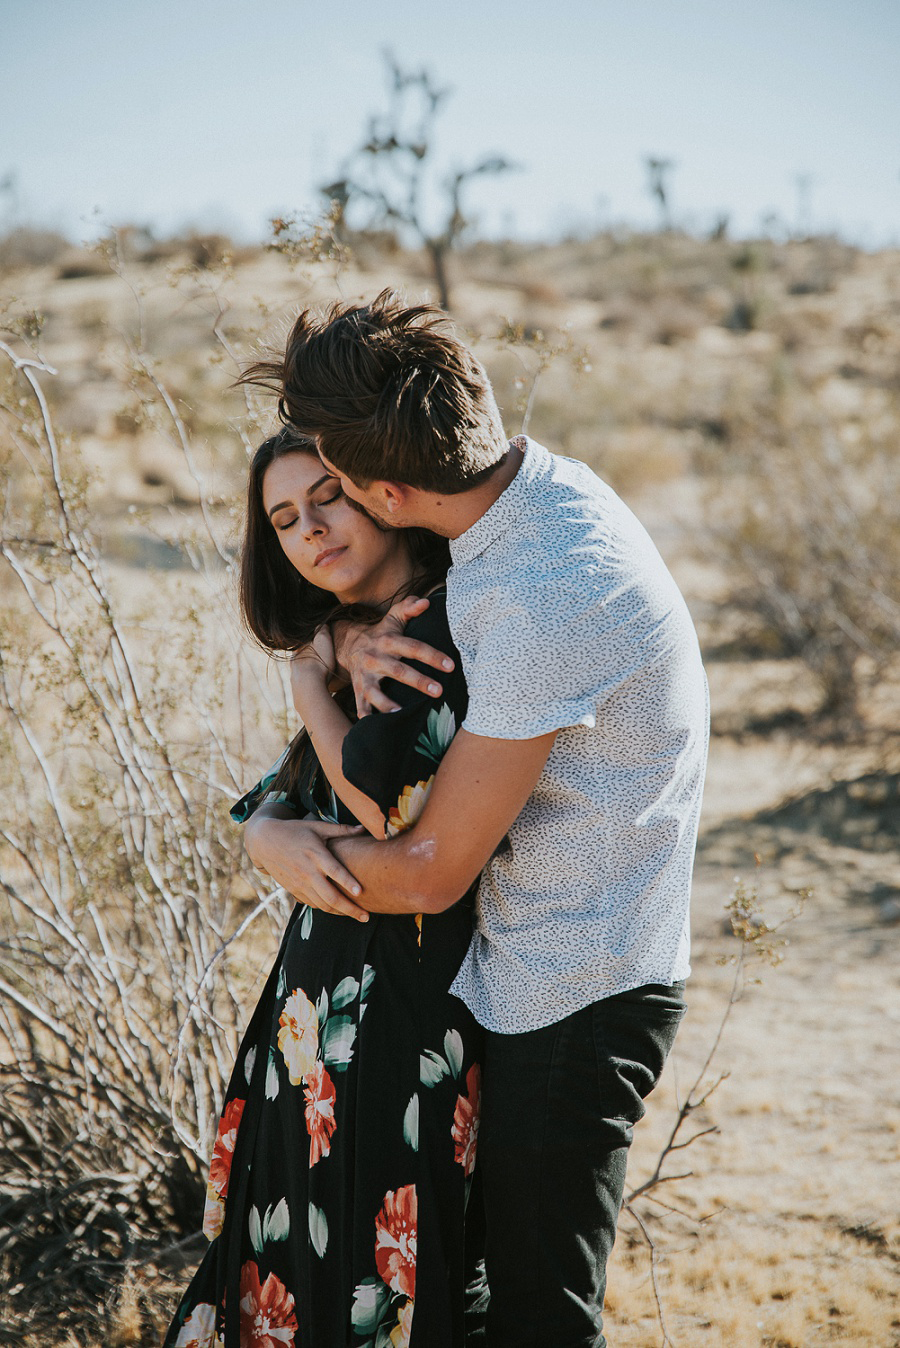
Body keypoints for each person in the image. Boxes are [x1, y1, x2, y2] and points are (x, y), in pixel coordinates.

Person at [241, 292, 710, 1348]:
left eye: (340, 484)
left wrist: (270, 843)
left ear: (390, 490)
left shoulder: (539, 592)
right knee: (480, 1307)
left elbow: (424, 873)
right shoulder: (524, 503)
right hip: (515, 968)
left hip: (576, 993)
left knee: (542, 1318)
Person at [163, 426, 483, 1348]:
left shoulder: (437, 627)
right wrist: (266, 832)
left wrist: (309, 678)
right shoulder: (357, 638)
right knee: (300, 1275)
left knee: (370, 1286)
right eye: (283, 519)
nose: (308, 529)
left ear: (382, 491)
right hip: (317, 1025)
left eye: (326, 497)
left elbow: (384, 807)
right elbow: (279, 799)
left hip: (401, 1017)